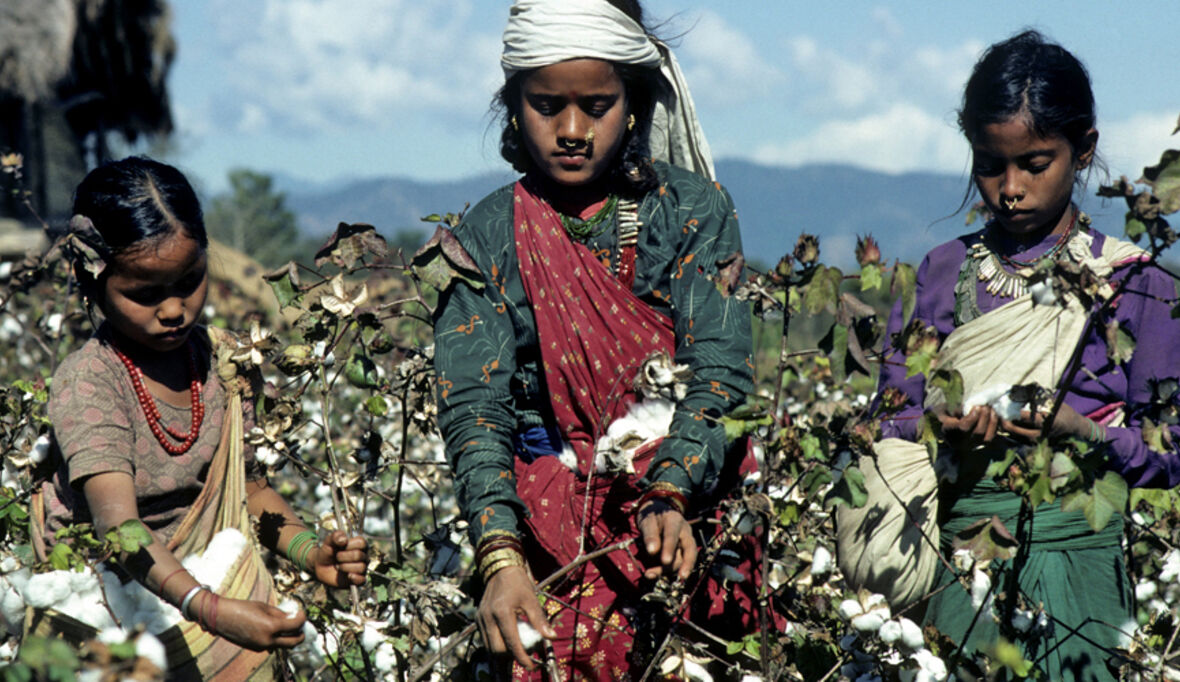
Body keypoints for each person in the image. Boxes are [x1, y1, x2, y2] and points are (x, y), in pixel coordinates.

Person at [428, 0, 759, 677]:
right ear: (515, 105)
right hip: (547, 525)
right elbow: (475, 406)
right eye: (547, 106)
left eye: (597, 106)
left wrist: (669, 491)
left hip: (692, 509)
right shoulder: (484, 240)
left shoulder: (694, 212)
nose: (572, 130)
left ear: (634, 105)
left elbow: (718, 371)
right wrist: (500, 557)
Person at [862, 30, 1180, 680]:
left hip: (1081, 577)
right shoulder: (940, 274)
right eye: (989, 164)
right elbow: (886, 417)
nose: (1009, 188)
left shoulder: (1133, 283)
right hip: (961, 572)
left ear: (1082, 150)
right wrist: (937, 428)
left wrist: (1081, 431)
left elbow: (1170, 452)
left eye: (1035, 164)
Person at [30, 156, 368, 680]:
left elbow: (246, 488)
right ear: (91, 281)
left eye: (189, 282)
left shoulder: (226, 362)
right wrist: (209, 609)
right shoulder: (91, 381)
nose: (173, 310)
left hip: (203, 590)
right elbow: (118, 528)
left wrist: (310, 552)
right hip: (109, 607)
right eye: (144, 294)